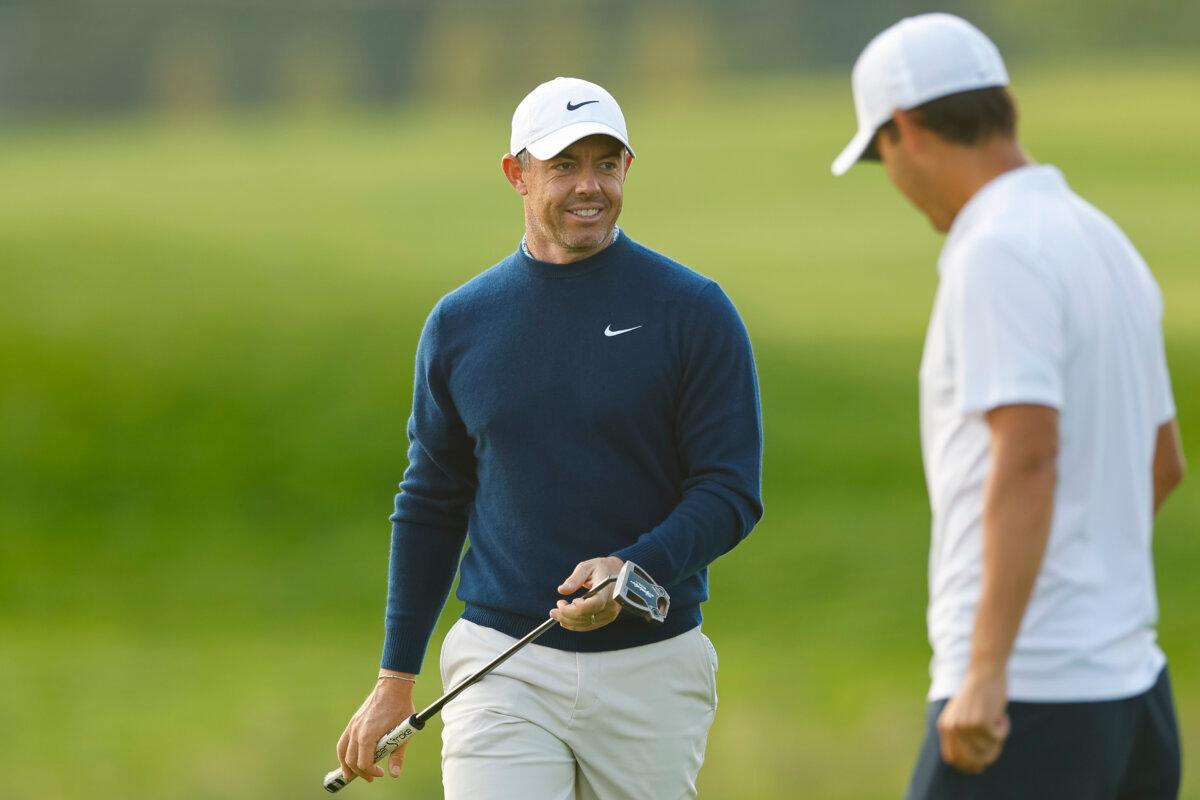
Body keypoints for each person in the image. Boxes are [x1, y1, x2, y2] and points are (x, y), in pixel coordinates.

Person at [335, 76, 763, 799]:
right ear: (517, 173)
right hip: (504, 664)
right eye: (564, 165)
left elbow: (730, 492)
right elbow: (431, 501)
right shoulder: (461, 324)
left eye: (605, 163)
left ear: (628, 168)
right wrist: (394, 678)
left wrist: (631, 569)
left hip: (652, 668)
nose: (589, 185)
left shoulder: (692, 310)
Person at [831, 13, 1187, 800]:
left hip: (1027, 699)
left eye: (882, 155)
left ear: (905, 129)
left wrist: (988, 669)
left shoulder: (995, 251)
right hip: (1133, 697)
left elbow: (1027, 456)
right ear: (1007, 108)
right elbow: (1162, 464)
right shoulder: (1102, 239)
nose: (894, 180)